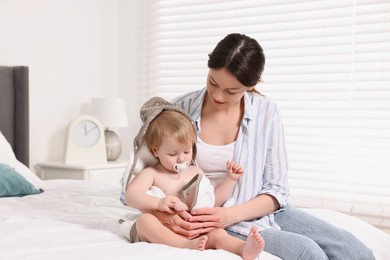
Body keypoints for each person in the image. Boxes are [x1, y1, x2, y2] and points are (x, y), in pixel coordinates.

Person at [149, 33, 374, 259]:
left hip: (259, 211)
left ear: (251, 85)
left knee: (355, 251)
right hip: (212, 223)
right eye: (213, 82)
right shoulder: (178, 110)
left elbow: (277, 189)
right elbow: (134, 182)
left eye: (231, 91)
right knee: (309, 253)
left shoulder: (266, 111)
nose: (217, 95)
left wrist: (229, 214)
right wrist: (165, 215)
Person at [122, 97, 265, 260]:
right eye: (172, 154)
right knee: (145, 221)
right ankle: (183, 245)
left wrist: (230, 179)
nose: (181, 159)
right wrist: (159, 203)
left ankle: (244, 248)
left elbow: (212, 200)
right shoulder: (152, 173)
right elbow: (131, 196)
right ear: (155, 151)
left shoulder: (195, 171)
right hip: (162, 229)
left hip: (193, 232)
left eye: (187, 151)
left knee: (218, 234)